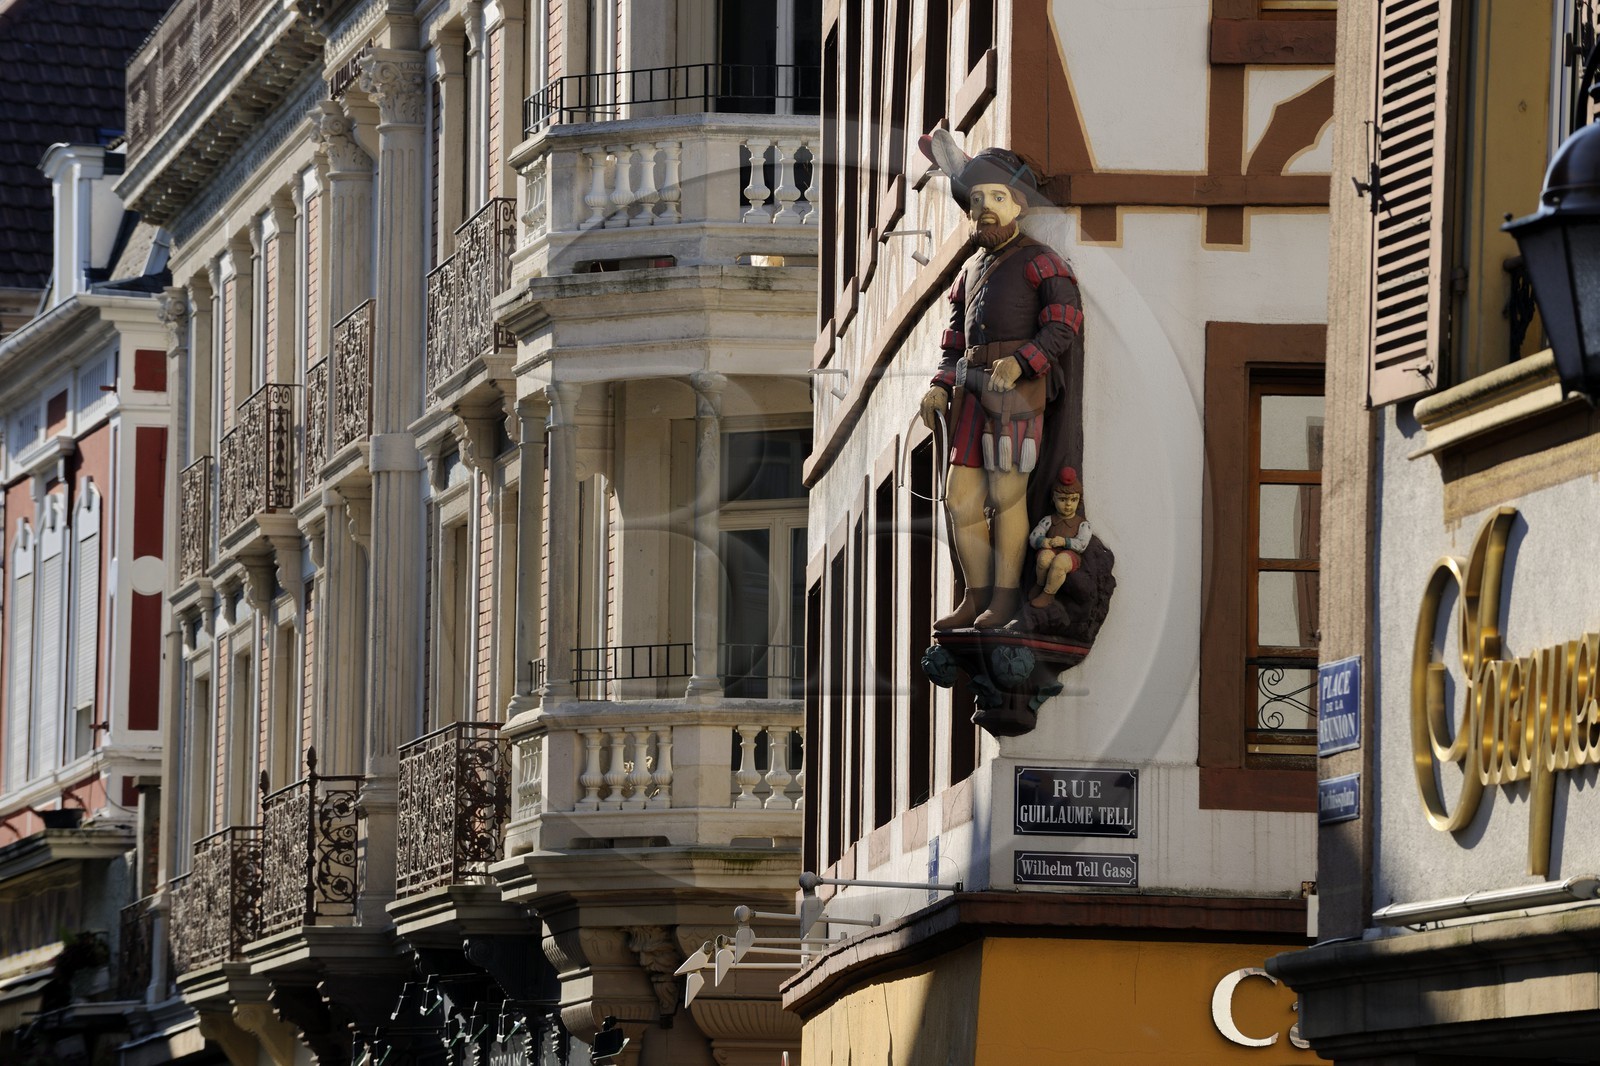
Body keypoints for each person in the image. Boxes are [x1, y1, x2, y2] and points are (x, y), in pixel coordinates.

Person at [917, 143, 1083, 630]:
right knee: (959, 497)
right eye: (976, 200)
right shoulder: (969, 273)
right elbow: (954, 340)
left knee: (1008, 496)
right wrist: (940, 385)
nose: (984, 208)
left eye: (996, 197)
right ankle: (976, 596)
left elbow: (1064, 321)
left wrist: (1024, 361)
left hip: (1017, 394)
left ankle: (1005, 598)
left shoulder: (1041, 260)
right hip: (971, 392)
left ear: (1018, 205)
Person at [1028, 466, 1091, 609]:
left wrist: (1065, 541)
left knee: (1059, 562)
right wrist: (1043, 541)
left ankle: (1048, 594)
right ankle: (1040, 584)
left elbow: (1082, 544)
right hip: (1051, 550)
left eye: (1073, 500)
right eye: (1062, 499)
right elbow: (1034, 536)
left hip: (1070, 556)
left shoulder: (1082, 524)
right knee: (1044, 559)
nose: (1068, 505)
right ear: (1054, 499)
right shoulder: (1048, 520)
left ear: (1079, 500)